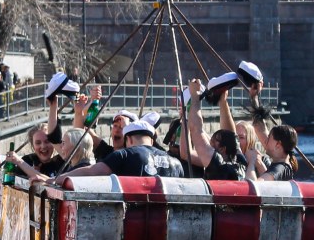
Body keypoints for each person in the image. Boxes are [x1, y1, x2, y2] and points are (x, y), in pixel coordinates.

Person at [51, 119, 183, 186]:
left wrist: (55, 180)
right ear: (152, 141)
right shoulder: (176, 163)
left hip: (135, 224)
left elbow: (91, 172)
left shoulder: (125, 155)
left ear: (129, 139)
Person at [186, 77, 246, 181]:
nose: (210, 142)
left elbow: (196, 129)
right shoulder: (241, 163)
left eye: (214, 140)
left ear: (222, 149)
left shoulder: (218, 165)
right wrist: (222, 101)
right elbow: (231, 136)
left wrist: (195, 97)